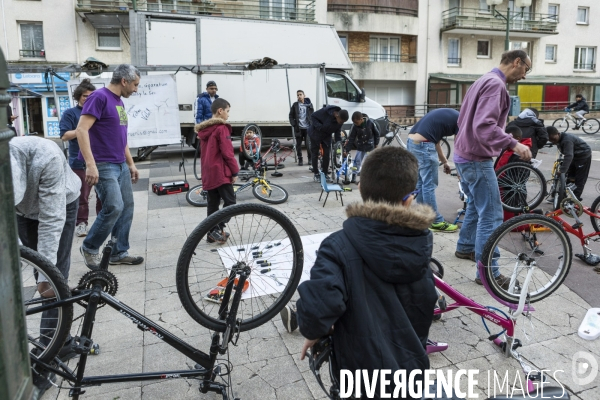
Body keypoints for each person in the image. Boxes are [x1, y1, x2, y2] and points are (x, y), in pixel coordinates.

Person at [295, 146, 438, 397]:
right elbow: (426, 300)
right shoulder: (420, 244)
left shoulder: (337, 246)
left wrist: (316, 331)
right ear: (409, 200)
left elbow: (317, 309)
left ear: (360, 188)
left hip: (358, 375)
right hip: (410, 370)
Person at [453, 50, 532, 288]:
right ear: (517, 62)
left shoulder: (483, 80)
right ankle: (488, 273)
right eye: (526, 69)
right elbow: (484, 125)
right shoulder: (496, 85)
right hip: (476, 158)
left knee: (478, 209)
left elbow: (465, 120)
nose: (525, 76)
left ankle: (466, 247)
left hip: (463, 154)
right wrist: (513, 143)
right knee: (492, 215)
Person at [10, 136, 82, 395]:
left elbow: (52, 221)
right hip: (22, 213)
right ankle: (61, 339)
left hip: (61, 203)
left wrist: (45, 276)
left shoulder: (46, 156)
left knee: (53, 278)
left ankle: (49, 351)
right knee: (35, 264)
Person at [75, 64, 144, 269]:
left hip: (120, 163)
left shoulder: (118, 102)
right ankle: (89, 247)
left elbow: (120, 137)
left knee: (126, 208)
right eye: (135, 84)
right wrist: (90, 164)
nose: (136, 89)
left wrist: (131, 164)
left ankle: (118, 251)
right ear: (124, 81)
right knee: (114, 206)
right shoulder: (99, 97)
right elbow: (81, 130)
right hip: (103, 164)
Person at [60, 79, 102, 237]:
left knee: (102, 196)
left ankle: (101, 224)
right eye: (85, 96)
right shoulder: (70, 113)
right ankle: (81, 224)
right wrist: (82, 130)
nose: (88, 99)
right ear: (78, 97)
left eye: (91, 96)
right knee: (82, 196)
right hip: (79, 163)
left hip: (100, 160)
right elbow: (64, 136)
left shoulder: (99, 111)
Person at [407, 108, 460, 232]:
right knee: (429, 185)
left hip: (412, 142)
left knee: (420, 183)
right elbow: (459, 148)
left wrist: (445, 162)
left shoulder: (449, 115)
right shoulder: (462, 121)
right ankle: (436, 221)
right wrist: (460, 171)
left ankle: (422, 216)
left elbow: (436, 141)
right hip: (424, 145)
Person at [195, 98, 239, 244]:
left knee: (212, 204)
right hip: (220, 172)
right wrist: (234, 171)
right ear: (220, 111)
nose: (228, 115)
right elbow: (227, 152)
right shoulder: (222, 128)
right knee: (231, 202)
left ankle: (210, 234)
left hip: (208, 172)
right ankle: (217, 229)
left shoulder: (204, 130)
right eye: (227, 111)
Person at [547, 126, 592, 201]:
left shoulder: (567, 140)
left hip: (583, 156)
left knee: (580, 179)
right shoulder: (558, 139)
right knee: (569, 177)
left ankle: (575, 199)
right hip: (574, 156)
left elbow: (569, 155)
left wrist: (562, 170)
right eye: (550, 140)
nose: (553, 141)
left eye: (553, 139)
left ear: (558, 134)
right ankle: (561, 197)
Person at [308, 105, 349, 181]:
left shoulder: (340, 121)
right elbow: (313, 116)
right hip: (315, 133)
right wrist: (319, 127)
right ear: (337, 115)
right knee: (315, 154)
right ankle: (316, 174)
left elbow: (337, 132)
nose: (341, 123)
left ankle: (325, 173)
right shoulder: (325, 112)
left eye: (343, 122)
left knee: (327, 154)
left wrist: (339, 144)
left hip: (327, 135)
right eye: (341, 121)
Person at [343, 111, 380, 184]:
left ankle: (368, 177)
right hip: (360, 146)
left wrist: (376, 143)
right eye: (354, 123)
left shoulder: (370, 123)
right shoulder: (355, 126)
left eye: (357, 122)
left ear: (361, 119)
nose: (356, 124)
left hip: (370, 146)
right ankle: (354, 175)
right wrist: (347, 150)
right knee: (357, 161)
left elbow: (377, 134)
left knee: (369, 161)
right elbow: (352, 138)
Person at [288, 90, 314, 166]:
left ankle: (310, 159)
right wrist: (294, 124)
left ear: (304, 95)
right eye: (298, 95)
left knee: (308, 144)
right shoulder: (295, 105)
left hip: (308, 128)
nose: (299, 96)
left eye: (300, 94)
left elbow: (312, 115)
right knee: (298, 145)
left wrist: (312, 124)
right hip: (299, 128)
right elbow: (291, 116)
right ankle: (300, 159)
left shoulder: (309, 104)